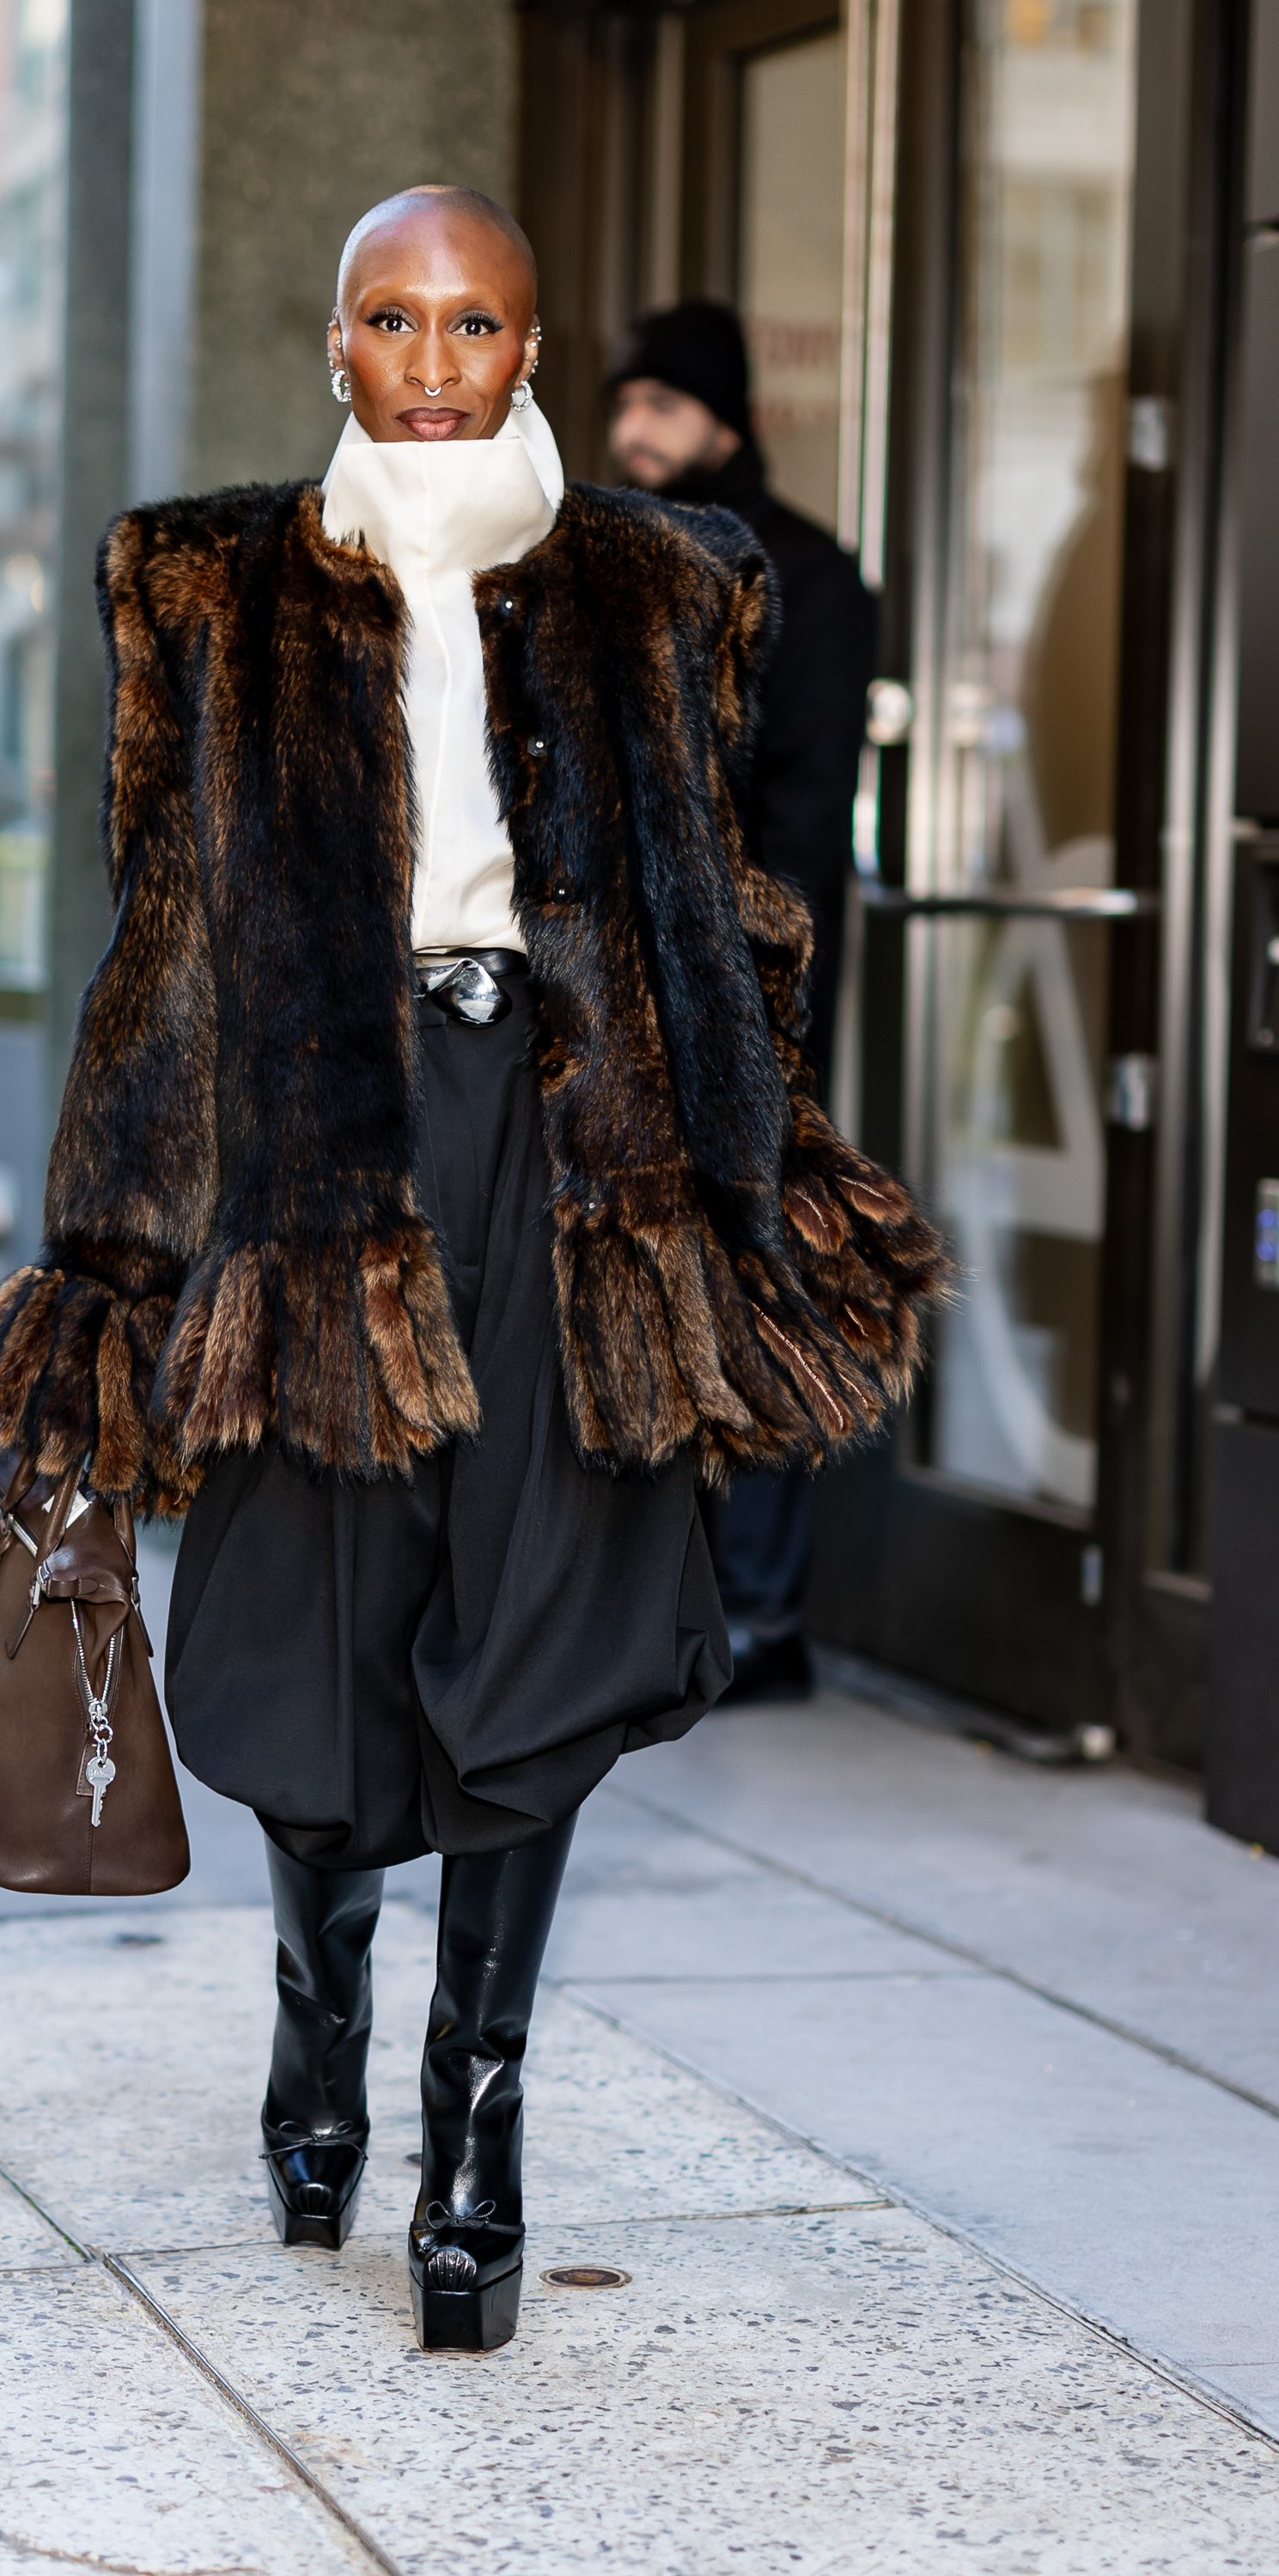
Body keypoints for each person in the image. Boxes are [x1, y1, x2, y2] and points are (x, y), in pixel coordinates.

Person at [0, 193, 942, 2353]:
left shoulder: (669, 585)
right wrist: (113, 1255)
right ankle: (322, 2011)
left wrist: (737, 1182)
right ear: (334, 341)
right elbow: (161, 935)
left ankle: (474, 2133)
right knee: (318, 1621)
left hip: (565, 1162)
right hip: (320, 1149)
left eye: (475, 320)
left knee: (549, 1630)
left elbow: (731, 911)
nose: (434, 356)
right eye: (394, 317)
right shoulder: (200, 579)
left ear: (531, 342)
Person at [608, 301, 880, 1705]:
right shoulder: (605, 561)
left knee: (762, 1297)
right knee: (632, 1301)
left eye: (658, 405)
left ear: (724, 419)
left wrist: (743, 1000)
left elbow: (802, 823)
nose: (630, 432)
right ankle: (652, 1616)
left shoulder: (812, 583)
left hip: (746, 1005)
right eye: (622, 405)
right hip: (602, 1009)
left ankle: (762, 1621)